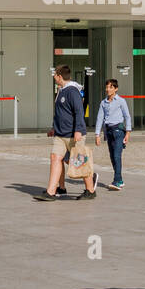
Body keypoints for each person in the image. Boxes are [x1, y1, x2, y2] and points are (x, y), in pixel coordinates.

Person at [35, 65, 99, 201]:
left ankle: (90, 190)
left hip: (73, 134)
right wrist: (54, 128)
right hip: (60, 134)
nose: (53, 77)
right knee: (55, 158)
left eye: (54, 74)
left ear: (59, 76)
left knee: (78, 162)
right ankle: (51, 192)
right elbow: (59, 113)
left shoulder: (72, 91)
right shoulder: (61, 91)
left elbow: (79, 111)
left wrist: (78, 130)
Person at [94, 78, 132, 191]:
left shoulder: (121, 101)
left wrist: (128, 133)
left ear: (116, 89)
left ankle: (117, 181)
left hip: (119, 131)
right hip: (108, 131)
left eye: (110, 87)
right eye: (107, 87)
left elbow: (127, 117)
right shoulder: (103, 103)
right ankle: (119, 179)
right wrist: (97, 134)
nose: (108, 89)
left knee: (117, 155)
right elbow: (99, 118)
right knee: (112, 157)